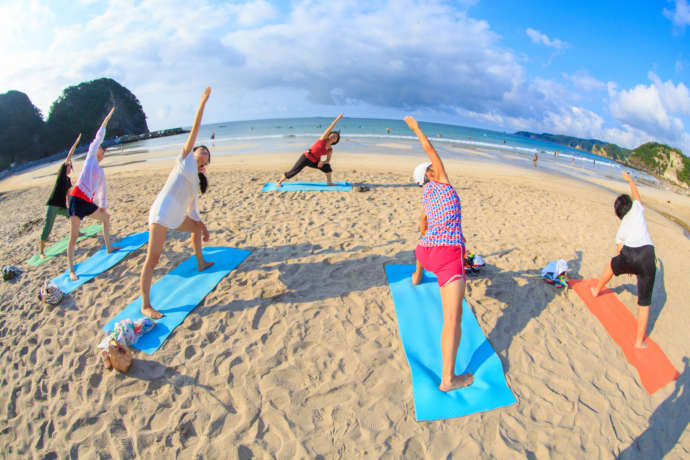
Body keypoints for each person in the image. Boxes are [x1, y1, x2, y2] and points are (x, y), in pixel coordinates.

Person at [405, 115, 474, 392]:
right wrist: (416, 128)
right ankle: (448, 379)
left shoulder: (426, 194)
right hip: (447, 256)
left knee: (422, 247)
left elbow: (424, 225)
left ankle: (417, 276)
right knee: (452, 319)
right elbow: (430, 150)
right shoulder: (443, 181)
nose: (437, 166)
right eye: (433, 168)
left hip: (425, 252)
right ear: (432, 175)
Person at [139, 87, 214, 319]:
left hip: (177, 214)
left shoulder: (194, 179)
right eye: (200, 148)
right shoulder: (184, 159)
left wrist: (201, 225)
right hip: (162, 211)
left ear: (206, 164)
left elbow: (193, 208)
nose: (201, 149)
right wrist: (202, 101)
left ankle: (200, 262)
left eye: (205, 152)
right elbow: (196, 128)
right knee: (153, 258)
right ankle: (145, 305)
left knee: (194, 229)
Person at [591, 171, 656, 348]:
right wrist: (630, 180)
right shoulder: (637, 208)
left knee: (612, 265)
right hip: (648, 256)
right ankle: (638, 342)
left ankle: (596, 289)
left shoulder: (621, 228)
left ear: (618, 213)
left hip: (629, 254)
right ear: (630, 205)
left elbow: (620, 251)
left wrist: (627, 267)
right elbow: (636, 194)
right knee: (644, 302)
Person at [67, 108, 120, 281]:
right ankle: (71, 269)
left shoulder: (100, 171)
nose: (102, 153)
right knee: (74, 235)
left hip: (87, 202)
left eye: (104, 153)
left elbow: (101, 191)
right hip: (76, 198)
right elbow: (98, 137)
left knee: (106, 218)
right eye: (100, 150)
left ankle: (109, 247)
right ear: (95, 150)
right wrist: (106, 119)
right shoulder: (90, 158)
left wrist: (102, 206)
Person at [39, 133, 81, 257]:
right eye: (68, 166)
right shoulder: (61, 175)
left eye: (70, 166)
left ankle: (78, 232)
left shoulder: (68, 180)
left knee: (73, 216)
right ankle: (41, 251)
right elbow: (69, 156)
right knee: (48, 226)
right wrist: (76, 143)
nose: (69, 167)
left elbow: (69, 195)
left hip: (62, 206)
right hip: (53, 205)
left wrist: (70, 208)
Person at [276, 113, 343, 187]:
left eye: (335, 136)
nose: (334, 136)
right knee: (294, 171)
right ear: (329, 135)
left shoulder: (330, 149)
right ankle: (279, 182)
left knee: (327, 167)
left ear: (335, 141)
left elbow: (328, 160)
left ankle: (329, 182)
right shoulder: (323, 138)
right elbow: (330, 127)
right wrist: (337, 119)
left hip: (315, 161)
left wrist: (322, 162)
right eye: (333, 134)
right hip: (306, 157)